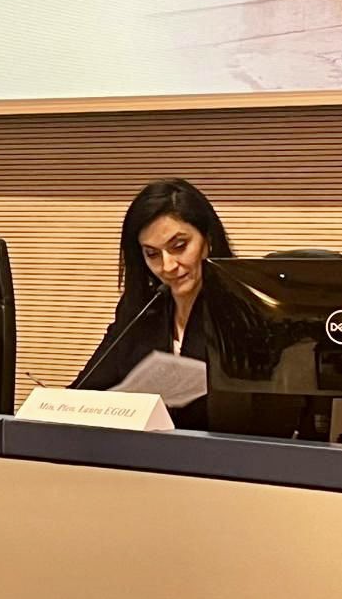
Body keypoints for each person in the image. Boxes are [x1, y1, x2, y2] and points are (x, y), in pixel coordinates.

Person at [73, 178, 236, 429]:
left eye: (179, 246)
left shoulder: (242, 311)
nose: (167, 266)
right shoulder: (141, 308)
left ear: (208, 239)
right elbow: (86, 390)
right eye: (152, 254)